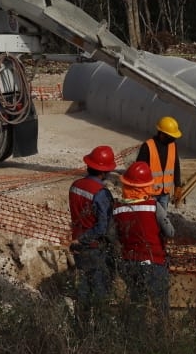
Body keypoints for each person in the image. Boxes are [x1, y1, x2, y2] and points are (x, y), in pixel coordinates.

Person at [112, 161, 175, 316]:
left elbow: (113, 236)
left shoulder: (117, 209)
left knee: (137, 305)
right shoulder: (154, 206)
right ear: (147, 186)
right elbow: (170, 232)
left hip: (129, 264)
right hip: (153, 263)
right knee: (161, 308)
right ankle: (162, 337)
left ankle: (134, 334)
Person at [69, 145, 118, 310]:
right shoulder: (101, 193)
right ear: (104, 172)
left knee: (83, 287)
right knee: (99, 293)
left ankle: (81, 327)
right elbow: (102, 227)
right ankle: (98, 330)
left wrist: (79, 239)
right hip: (94, 247)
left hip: (77, 245)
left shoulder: (75, 185)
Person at [135, 115, 182, 208]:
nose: (173, 140)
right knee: (150, 218)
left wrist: (178, 185)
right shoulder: (148, 146)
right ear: (162, 134)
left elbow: (176, 166)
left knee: (161, 218)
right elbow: (139, 170)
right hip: (150, 193)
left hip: (165, 193)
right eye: (170, 137)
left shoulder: (173, 145)